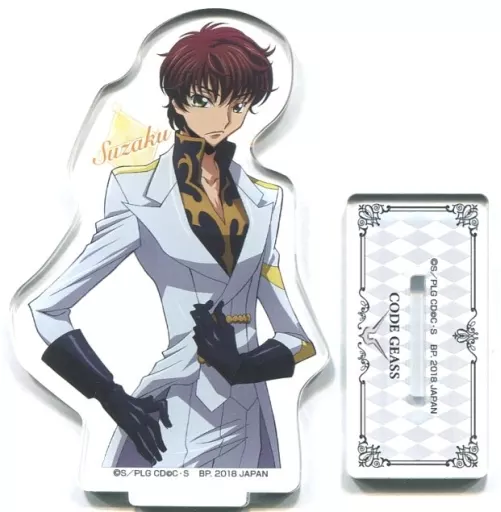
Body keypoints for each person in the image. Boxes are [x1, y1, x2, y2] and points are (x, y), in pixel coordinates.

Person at [30, 22, 315, 469]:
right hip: (170, 414)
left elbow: (298, 337)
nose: (222, 119)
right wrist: (109, 395)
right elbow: (47, 309)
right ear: (178, 101)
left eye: (238, 104)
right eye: (204, 100)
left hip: (250, 416)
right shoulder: (136, 192)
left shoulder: (265, 199)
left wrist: (243, 367)